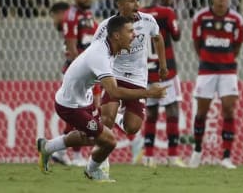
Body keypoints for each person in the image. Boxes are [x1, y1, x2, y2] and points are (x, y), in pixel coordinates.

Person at [37, 15, 167, 182]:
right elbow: (114, 92)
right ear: (117, 36)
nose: (135, 35)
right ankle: (93, 171)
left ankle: (47, 147)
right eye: (130, 32)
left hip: (85, 98)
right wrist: (149, 93)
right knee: (108, 140)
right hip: (70, 105)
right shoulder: (100, 55)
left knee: (90, 137)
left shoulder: (111, 48)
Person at [93, 0, 165, 168]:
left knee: (132, 127)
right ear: (119, 4)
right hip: (114, 75)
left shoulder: (148, 20)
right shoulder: (106, 26)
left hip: (138, 79)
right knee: (106, 118)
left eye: (138, 0)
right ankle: (101, 160)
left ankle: (118, 118)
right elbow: (94, 51)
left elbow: (158, 38)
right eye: (131, 0)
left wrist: (163, 66)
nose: (137, 4)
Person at [189, 0, 243, 169]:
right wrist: (206, 59)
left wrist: (226, 59)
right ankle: (197, 151)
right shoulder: (200, 17)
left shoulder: (236, 19)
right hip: (206, 70)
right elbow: (197, 43)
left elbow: (237, 45)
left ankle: (226, 157)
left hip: (228, 70)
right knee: (202, 112)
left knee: (229, 109)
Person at [53, 0, 98, 166]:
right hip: (78, 71)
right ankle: (77, 156)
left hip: (88, 70)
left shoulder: (86, 14)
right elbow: (71, 46)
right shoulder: (71, 16)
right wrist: (81, 70)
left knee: (81, 111)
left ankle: (62, 153)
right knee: (80, 112)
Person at [140, 0, 185, 167]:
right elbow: (177, 35)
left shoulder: (140, 14)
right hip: (166, 70)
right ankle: (173, 157)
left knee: (150, 113)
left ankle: (148, 156)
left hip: (147, 72)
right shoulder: (167, 12)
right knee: (172, 111)